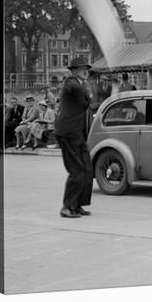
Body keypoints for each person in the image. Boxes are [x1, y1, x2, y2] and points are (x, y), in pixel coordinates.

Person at [55, 56, 93, 218]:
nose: (86, 71)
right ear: (74, 70)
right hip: (68, 132)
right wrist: (90, 94)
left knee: (86, 168)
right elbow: (86, 102)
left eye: (87, 68)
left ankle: (77, 205)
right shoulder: (72, 83)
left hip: (76, 132)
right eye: (83, 68)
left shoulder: (77, 84)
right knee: (77, 170)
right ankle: (66, 207)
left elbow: (85, 102)